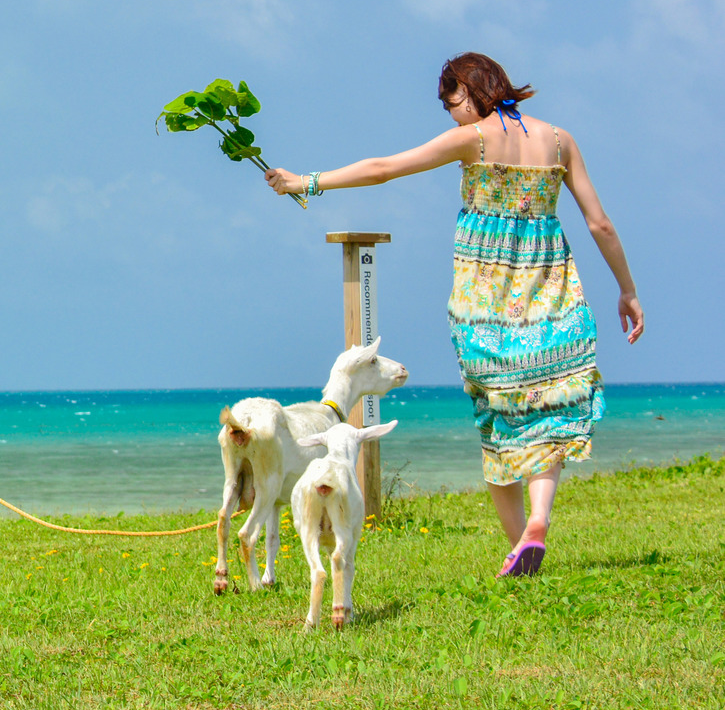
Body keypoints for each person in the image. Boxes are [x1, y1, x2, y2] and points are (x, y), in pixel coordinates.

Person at [264, 53, 644, 578]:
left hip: (485, 306)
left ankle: (524, 547)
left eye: (452, 103)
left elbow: (384, 169)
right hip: (553, 294)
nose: (452, 116)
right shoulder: (561, 140)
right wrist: (627, 290)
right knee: (550, 415)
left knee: (498, 424)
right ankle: (537, 523)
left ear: (472, 90)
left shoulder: (477, 138)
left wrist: (305, 182)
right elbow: (599, 224)